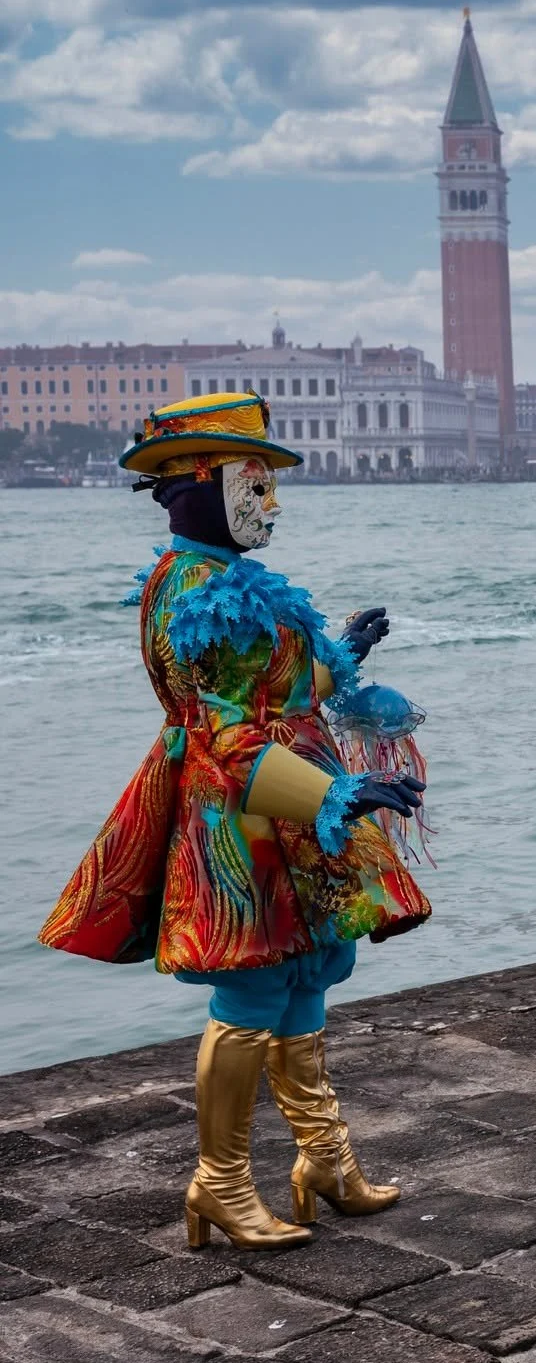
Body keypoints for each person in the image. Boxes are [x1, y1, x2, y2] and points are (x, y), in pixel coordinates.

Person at [40, 391, 430, 1250]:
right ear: (196, 487)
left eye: (270, 485)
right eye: (254, 485)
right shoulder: (186, 593)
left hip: (295, 805)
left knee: (309, 972)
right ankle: (218, 1183)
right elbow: (222, 732)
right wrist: (334, 796)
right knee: (251, 983)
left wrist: (343, 662)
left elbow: (280, 696)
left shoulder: (237, 584)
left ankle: (321, 1164)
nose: (272, 503)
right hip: (238, 812)